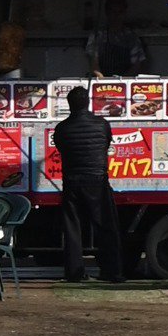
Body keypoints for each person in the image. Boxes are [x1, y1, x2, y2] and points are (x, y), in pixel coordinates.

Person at [52, 86, 121, 285]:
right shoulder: (101, 125)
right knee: (106, 226)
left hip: (72, 181)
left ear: (69, 104)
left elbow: (60, 148)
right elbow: (106, 144)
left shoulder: (62, 128)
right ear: (88, 102)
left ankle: (74, 272)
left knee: (72, 227)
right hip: (97, 180)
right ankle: (112, 271)